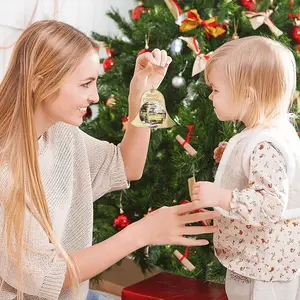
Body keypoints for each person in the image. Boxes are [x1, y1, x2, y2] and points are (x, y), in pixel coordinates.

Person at [0, 20, 219, 300]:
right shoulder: (6, 169)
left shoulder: (61, 133)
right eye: (85, 84)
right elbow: (51, 276)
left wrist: (142, 93)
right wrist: (142, 233)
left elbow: (128, 167)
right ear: (40, 82)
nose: (94, 96)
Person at [191, 36, 300, 300]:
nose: (210, 96)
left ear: (247, 95)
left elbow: (270, 205)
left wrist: (222, 197)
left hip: (263, 272)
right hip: (264, 262)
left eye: (216, 89)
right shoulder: (269, 132)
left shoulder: (265, 145)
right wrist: (232, 152)